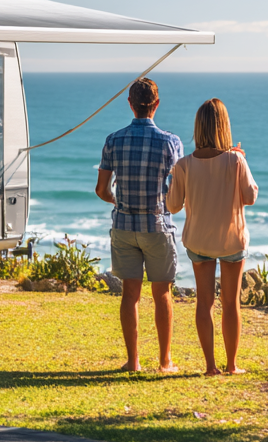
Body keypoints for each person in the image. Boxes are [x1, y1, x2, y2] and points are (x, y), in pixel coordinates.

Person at [96, 78, 183, 373]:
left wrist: (117, 202)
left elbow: (102, 189)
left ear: (131, 104)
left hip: (124, 225)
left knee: (130, 294)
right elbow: (176, 190)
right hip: (157, 226)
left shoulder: (113, 140)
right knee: (162, 294)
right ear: (156, 104)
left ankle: (133, 361)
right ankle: (164, 361)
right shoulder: (171, 142)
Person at [167, 98, 258, 376]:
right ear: (224, 126)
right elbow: (250, 197)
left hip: (199, 241)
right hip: (231, 239)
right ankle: (231, 365)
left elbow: (172, 206)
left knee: (204, 302)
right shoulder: (236, 159)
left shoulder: (183, 165)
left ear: (199, 128)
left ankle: (210, 367)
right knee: (231, 303)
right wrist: (240, 162)